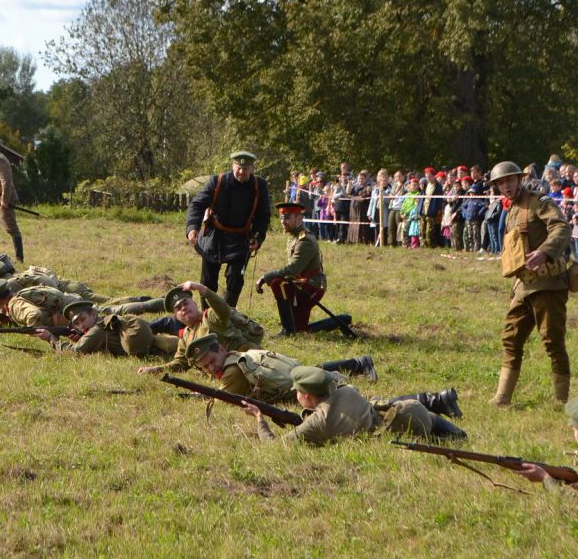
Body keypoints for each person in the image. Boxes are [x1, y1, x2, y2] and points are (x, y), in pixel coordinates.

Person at [185, 333, 460, 418]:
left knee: (370, 408)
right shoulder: (239, 357)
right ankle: (435, 400)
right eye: (205, 368)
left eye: (211, 362)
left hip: (309, 391)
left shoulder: (232, 371)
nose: (210, 369)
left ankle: (434, 400)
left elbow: (226, 399)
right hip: (306, 379)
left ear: (221, 350)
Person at [487, 161, 574, 407]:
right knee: (511, 338)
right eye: (500, 183)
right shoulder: (511, 209)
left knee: (552, 341)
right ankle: (502, 397)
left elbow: (561, 227)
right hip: (523, 286)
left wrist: (545, 252)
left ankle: (562, 401)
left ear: (519, 180)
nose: (505, 186)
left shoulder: (539, 202)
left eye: (509, 181)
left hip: (548, 284)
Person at [239, 366, 466, 446]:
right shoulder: (346, 390)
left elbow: (275, 446)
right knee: (431, 421)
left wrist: (260, 419)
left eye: (298, 392)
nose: (296, 396)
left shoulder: (320, 422)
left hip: (400, 430)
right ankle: (459, 436)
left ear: (307, 396)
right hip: (413, 409)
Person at [185, 151, 272, 308]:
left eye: (245, 169)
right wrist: (192, 227)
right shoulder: (217, 181)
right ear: (233, 165)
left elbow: (263, 216)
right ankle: (207, 317)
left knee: (235, 279)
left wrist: (258, 238)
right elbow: (197, 204)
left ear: (252, 168)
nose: (241, 172)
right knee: (208, 281)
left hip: (241, 239)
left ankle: (227, 316)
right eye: (238, 167)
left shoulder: (260, 186)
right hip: (214, 238)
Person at [256, 201, 351, 335]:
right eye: (282, 217)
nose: (283, 221)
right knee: (301, 329)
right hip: (301, 283)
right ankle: (340, 320)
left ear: (299, 218)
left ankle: (288, 330)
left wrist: (266, 277)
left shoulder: (304, 241)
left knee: (278, 283)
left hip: (312, 286)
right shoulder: (295, 237)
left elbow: (292, 269)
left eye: (288, 217)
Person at [140, 281, 266, 376]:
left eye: (186, 303)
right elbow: (180, 363)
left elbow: (223, 310)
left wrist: (202, 289)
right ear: (176, 317)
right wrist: (156, 369)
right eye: (178, 309)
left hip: (248, 363)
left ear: (195, 304)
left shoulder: (210, 317)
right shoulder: (185, 336)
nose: (183, 308)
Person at [38, 301, 178, 358]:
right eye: (77, 323)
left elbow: (74, 352)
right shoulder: (105, 321)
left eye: (83, 319)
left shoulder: (97, 330)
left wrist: (51, 339)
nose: (81, 326)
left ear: (94, 314)